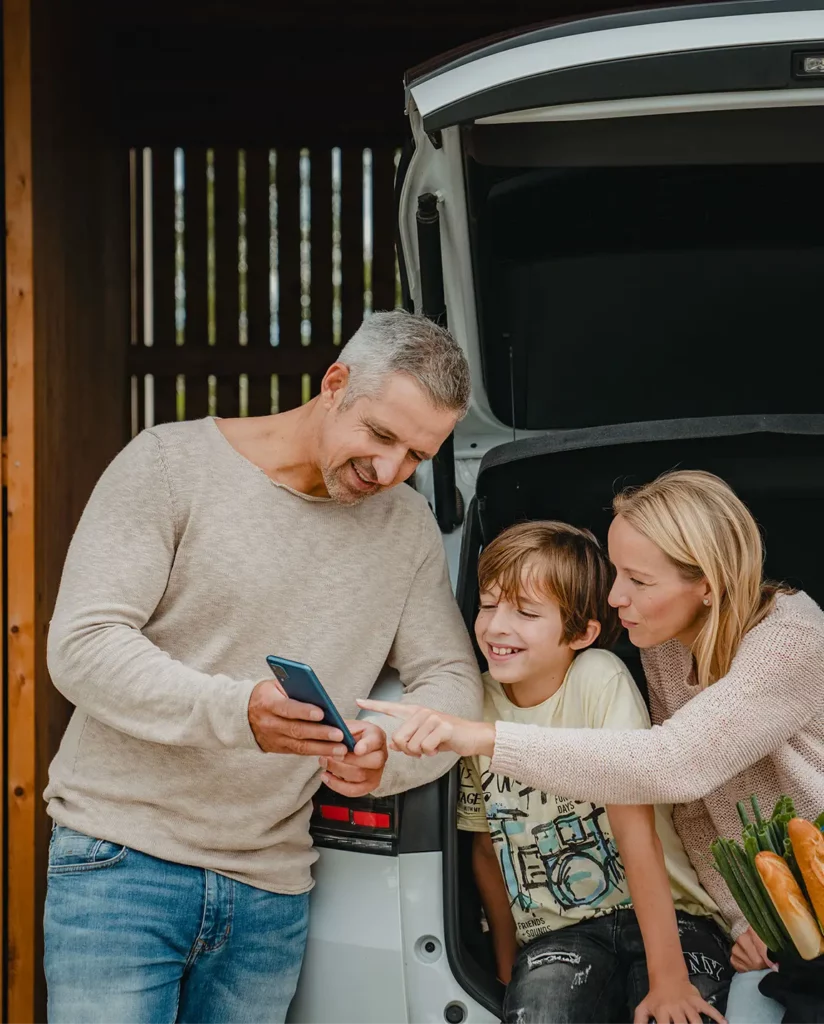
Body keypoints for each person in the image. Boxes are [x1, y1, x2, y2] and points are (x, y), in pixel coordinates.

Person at [43, 309, 483, 1024]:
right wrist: (238, 710)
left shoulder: (405, 529)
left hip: (270, 892)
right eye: (380, 436)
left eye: (417, 456)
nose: (390, 471)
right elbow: (83, 645)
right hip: (121, 866)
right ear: (334, 383)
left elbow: (455, 687)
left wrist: (389, 756)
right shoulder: (167, 465)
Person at [360, 470, 824, 1024]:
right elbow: (698, 819)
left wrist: (483, 736)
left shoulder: (790, 637)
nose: (614, 596)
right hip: (787, 918)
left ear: (708, 583)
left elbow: (670, 767)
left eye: (638, 580)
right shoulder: (667, 644)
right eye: (616, 571)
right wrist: (748, 922)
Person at [457, 521, 730, 1023]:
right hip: (558, 934)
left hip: (673, 918)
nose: (496, 627)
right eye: (488, 603)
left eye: (526, 612)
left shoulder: (598, 676)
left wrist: (670, 978)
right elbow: (485, 848)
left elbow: (635, 828)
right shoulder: (473, 702)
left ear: (581, 633)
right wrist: (503, 967)